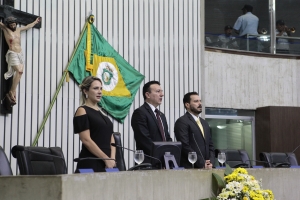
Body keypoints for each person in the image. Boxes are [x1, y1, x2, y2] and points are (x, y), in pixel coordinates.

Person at [73, 76, 116, 173]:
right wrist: (106, 159)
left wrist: (112, 159)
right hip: (91, 163)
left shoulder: (103, 114)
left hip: (108, 164)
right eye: (96, 88)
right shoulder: (82, 110)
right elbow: (86, 140)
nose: (100, 91)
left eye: (101, 88)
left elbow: (111, 137)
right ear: (85, 91)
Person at [0, 16, 40, 106]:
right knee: (19, 70)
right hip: (12, 53)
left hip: (20, 54)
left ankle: (12, 91)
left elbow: (27, 27)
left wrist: (35, 22)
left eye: (14, 24)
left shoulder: (18, 30)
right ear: (8, 25)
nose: (13, 26)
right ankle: (12, 92)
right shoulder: (5, 29)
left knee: (20, 73)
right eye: (11, 25)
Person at [131, 81, 172, 164]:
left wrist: (170, 152)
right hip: (148, 163)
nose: (162, 94)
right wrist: (162, 155)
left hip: (165, 162)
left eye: (161, 91)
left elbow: (167, 137)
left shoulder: (161, 115)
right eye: (158, 91)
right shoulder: (140, 113)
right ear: (147, 95)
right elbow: (144, 140)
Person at [174, 92, 214, 169]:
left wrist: (211, 162)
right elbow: (185, 145)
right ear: (187, 105)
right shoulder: (182, 121)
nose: (200, 103)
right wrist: (202, 163)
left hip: (207, 167)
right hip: (190, 167)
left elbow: (210, 145)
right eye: (196, 101)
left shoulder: (204, 123)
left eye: (200, 101)